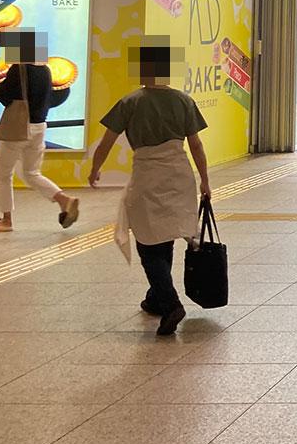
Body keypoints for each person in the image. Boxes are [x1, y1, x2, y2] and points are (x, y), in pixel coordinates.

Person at [88, 40, 212, 337]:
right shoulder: (184, 100)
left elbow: (106, 142)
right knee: (165, 235)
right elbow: (196, 144)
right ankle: (156, 297)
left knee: (147, 242)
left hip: (147, 175)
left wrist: (95, 168)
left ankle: (170, 304)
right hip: (179, 174)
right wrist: (205, 180)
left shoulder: (130, 102)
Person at [0, 31, 79, 233]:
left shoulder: (18, 69)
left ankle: (6, 220)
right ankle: (64, 200)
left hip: (19, 128)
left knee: (3, 175)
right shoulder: (45, 70)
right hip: (39, 127)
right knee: (31, 173)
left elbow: (4, 97)